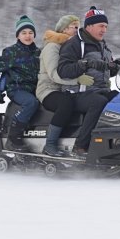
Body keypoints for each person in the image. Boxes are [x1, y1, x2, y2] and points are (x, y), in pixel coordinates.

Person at [56, 7, 120, 158]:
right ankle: (80, 146)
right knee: (98, 102)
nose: (104, 30)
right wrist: (85, 64)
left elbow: (105, 70)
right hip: (77, 93)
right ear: (89, 26)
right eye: (101, 26)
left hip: (100, 89)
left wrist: (119, 65)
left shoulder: (103, 46)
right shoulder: (75, 44)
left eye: (106, 27)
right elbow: (63, 70)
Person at [34, 14, 93, 156]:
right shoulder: (52, 47)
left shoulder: (68, 46)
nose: (78, 31)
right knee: (66, 103)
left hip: (62, 88)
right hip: (48, 90)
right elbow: (54, 75)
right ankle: (50, 144)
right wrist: (77, 81)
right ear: (65, 29)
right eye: (75, 28)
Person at [0, 15, 41, 148]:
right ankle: (13, 137)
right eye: (24, 33)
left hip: (35, 88)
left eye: (30, 33)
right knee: (30, 102)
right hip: (17, 89)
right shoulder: (11, 53)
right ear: (18, 36)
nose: (27, 36)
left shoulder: (38, 53)